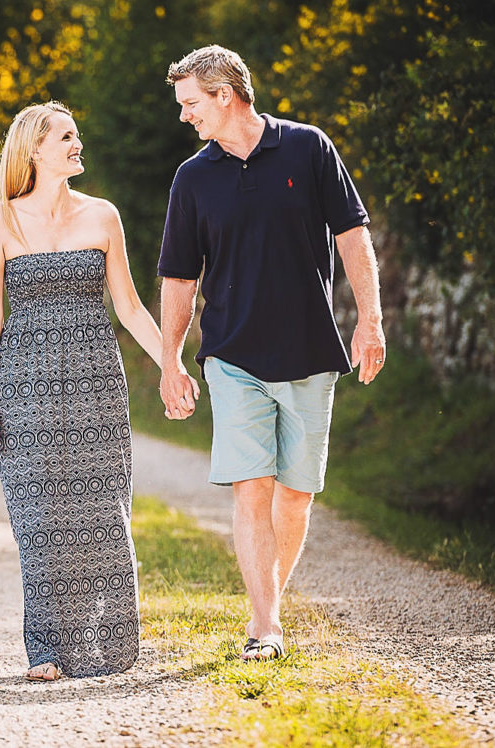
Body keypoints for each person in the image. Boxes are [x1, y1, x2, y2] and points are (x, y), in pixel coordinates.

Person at [157, 45, 384, 662]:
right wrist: (171, 359)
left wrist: (371, 320)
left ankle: (269, 605)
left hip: (312, 351)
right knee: (251, 488)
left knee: (296, 493)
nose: (184, 117)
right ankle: (265, 628)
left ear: (225, 95)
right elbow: (179, 277)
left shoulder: (309, 149)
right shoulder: (193, 177)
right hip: (232, 356)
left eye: (191, 104)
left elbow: (352, 235)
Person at [0, 100, 164, 681]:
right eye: (66, 137)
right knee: (37, 515)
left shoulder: (103, 216)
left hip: (95, 382)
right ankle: (48, 651)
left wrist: (172, 365)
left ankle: (106, 648)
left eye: (77, 136)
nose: (78, 145)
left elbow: (129, 307)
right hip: (23, 385)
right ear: (35, 148)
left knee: (100, 510)